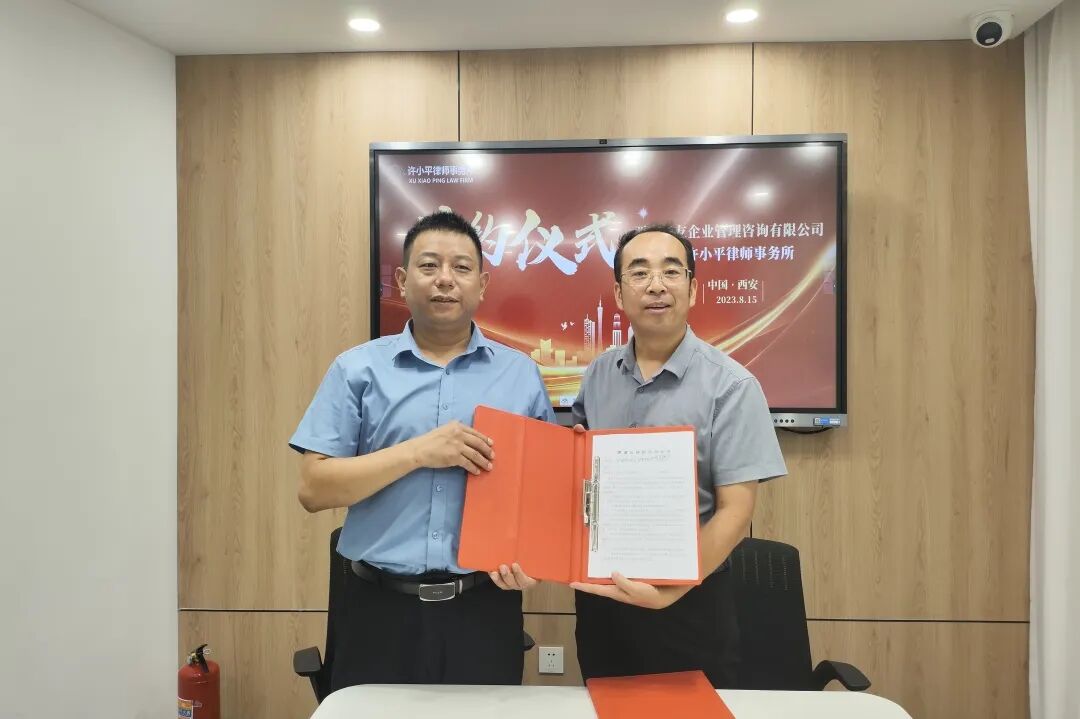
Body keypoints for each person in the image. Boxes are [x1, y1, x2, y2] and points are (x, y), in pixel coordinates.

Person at [289, 210, 553, 688]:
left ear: (482, 284)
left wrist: (535, 559)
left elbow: (544, 493)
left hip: (484, 609)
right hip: (378, 610)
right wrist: (418, 452)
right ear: (402, 280)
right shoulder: (356, 370)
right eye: (429, 266)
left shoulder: (520, 375)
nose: (445, 279)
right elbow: (313, 489)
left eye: (461, 268)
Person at [570, 223, 787, 687]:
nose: (656, 285)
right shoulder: (598, 375)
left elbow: (736, 510)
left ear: (693, 288)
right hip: (603, 600)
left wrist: (670, 591)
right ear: (618, 293)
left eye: (671, 271)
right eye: (639, 272)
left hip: (690, 604)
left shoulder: (732, 385)